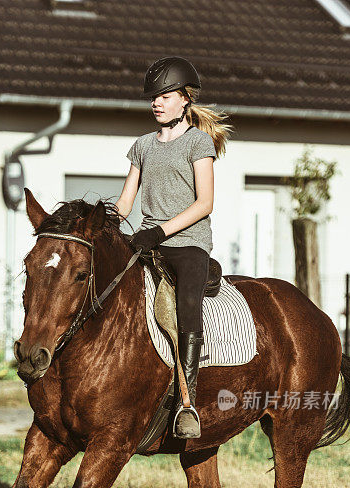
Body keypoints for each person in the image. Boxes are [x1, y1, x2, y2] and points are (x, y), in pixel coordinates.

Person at [116, 56, 232, 438]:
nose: (157, 102)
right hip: (149, 243)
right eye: (153, 97)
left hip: (187, 245)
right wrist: (99, 225)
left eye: (165, 95)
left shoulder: (199, 142)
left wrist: (160, 231)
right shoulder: (143, 145)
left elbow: (205, 203)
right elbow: (125, 203)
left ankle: (188, 401)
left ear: (185, 99)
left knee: (185, 307)